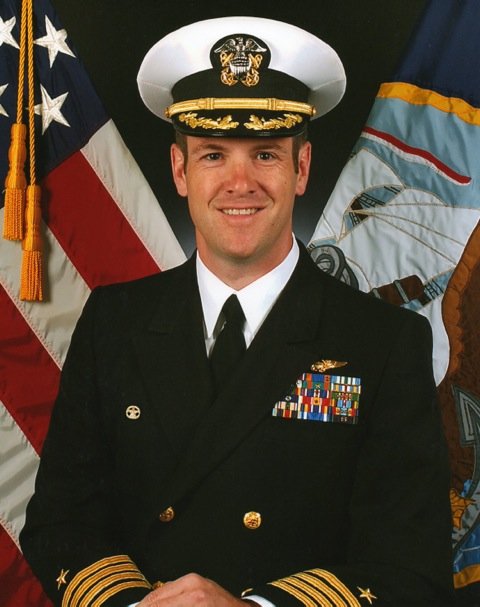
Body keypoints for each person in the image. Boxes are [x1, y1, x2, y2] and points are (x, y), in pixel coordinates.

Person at [20, 16, 454, 607]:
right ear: (181, 171)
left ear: (302, 169)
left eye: (266, 154)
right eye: (213, 155)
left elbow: (411, 566)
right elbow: (59, 523)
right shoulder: (113, 324)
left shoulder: (383, 341)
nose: (240, 182)